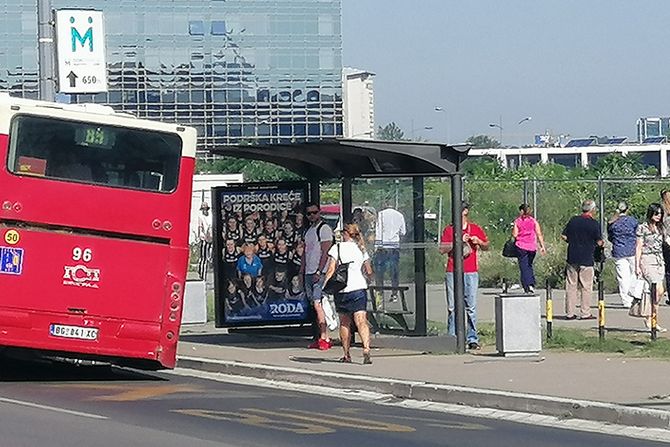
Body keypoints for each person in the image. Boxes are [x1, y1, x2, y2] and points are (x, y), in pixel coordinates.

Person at [439, 201, 489, 350]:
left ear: (465, 212)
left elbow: (486, 245)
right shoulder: (449, 230)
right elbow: (442, 249)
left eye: (460, 210)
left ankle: (472, 337)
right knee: (453, 306)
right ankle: (453, 336)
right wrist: (457, 242)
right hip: (452, 270)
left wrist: (478, 241)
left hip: (470, 271)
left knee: (471, 306)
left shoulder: (474, 228)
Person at [324, 223, 373, 364]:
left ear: (346, 233)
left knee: (345, 322)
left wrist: (325, 285)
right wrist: (368, 280)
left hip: (342, 289)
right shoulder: (361, 248)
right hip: (359, 288)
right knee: (361, 321)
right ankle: (366, 348)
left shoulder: (337, 248)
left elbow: (331, 269)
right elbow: (368, 271)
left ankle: (347, 354)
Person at [561, 199, 604, 320]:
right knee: (586, 286)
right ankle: (585, 312)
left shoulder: (573, 221)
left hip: (572, 256)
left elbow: (564, 236)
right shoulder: (594, 223)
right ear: (592, 209)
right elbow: (599, 241)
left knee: (571, 285)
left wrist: (572, 241)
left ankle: (570, 313)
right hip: (586, 257)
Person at [303, 202, 334, 350]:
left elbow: (326, 251)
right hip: (308, 271)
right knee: (314, 304)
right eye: (309, 213)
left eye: (314, 212)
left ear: (319, 212)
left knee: (318, 303)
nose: (312, 216)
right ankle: (319, 336)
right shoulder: (309, 230)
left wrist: (319, 271)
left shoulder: (324, 229)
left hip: (317, 272)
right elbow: (305, 252)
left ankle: (324, 336)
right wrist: (303, 270)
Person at [635, 203, 667, 331]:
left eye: (660, 213)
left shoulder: (661, 228)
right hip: (647, 260)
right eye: (656, 213)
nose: (658, 216)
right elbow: (639, 246)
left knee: (659, 292)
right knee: (657, 289)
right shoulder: (642, 228)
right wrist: (637, 266)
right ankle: (650, 318)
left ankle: (653, 320)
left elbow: (666, 241)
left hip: (659, 260)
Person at [607, 201, 638, 307]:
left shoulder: (613, 223)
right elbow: (637, 234)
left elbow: (610, 237)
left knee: (623, 276)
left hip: (619, 251)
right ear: (627, 209)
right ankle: (634, 295)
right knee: (635, 273)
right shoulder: (633, 221)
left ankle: (626, 300)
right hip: (633, 250)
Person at [374, 201, 406, 300]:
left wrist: (377, 245)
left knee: (380, 271)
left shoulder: (381, 214)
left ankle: (379, 293)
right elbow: (403, 232)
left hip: (383, 246)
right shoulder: (400, 215)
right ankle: (394, 293)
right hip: (394, 246)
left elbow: (378, 231)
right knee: (394, 271)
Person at [512, 204, 546, 293]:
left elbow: (515, 234)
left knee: (523, 266)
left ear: (521, 211)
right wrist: (542, 246)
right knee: (529, 265)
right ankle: (531, 284)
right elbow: (539, 233)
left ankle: (527, 284)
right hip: (532, 247)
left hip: (521, 246)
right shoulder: (533, 221)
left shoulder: (517, 221)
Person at [196, 202, 213, 280]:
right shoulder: (201, 217)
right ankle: (201, 273)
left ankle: (209, 273)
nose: (204, 210)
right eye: (203, 209)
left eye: (205, 209)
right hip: (204, 238)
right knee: (203, 257)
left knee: (210, 256)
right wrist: (201, 236)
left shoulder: (211, 217)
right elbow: (200, 227)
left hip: (211, 238)